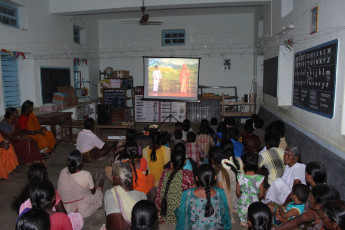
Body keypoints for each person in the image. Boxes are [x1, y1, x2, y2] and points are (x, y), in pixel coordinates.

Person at [176, 164, 231, 230]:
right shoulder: (220, 192)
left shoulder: (187, 194)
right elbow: (225, 214)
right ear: (215, 178)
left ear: (196, 178)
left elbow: (183, 216)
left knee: (178, 211)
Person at [155, 143, 194, 225]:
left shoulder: (164, 172)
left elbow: (159, 193)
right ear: (185, 161)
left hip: (164, 212)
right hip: (180, 215)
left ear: (171, 162)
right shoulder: (187, 174)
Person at [57, 150, 103, 218]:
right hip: (82, 207)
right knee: (99, 192)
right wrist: (95, 188)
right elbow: (93, 192)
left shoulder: (63, 171)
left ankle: (92, 183)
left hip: (65, 207)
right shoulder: (86, 174)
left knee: (89, 188)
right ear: (80, 162)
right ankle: (97, 184)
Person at [275, 184, 340, 230]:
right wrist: (279, 229)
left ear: (318, 206)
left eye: (311, 197)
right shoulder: (314, 211)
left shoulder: (329, 223)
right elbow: (299, 219)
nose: (308, 198)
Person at [104, 162, 147, 229]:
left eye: (113, 176)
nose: (112, 178)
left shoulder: (108, 193)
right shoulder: (142, 195)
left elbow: (107, 218)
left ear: (117, 178)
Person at [236, 153, 264, 226]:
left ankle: (243, 221)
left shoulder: (240, 176)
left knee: (242, 210)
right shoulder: (260, 178)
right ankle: (251, 222)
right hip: (254, 200)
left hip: (243, 199)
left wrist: (242, 197)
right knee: (253, 212)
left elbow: (237, 192)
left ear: (244, 165)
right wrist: (256, 197)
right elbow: (261, 194)